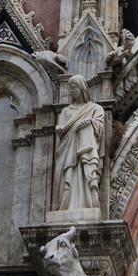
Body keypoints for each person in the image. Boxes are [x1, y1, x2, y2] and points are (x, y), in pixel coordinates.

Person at [54, 75, 105, 211]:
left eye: (74, 88)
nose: (71, 91)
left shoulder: (95, 108)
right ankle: (66, 204)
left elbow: (100, 126)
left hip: (85, 147)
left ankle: (89, 201)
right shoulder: (66, 111)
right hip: (67, 148)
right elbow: (62, 127)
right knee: (68, 176)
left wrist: (90, 122)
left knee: (85, 170)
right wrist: (59, 129)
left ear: (82, 88)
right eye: (70, 89)